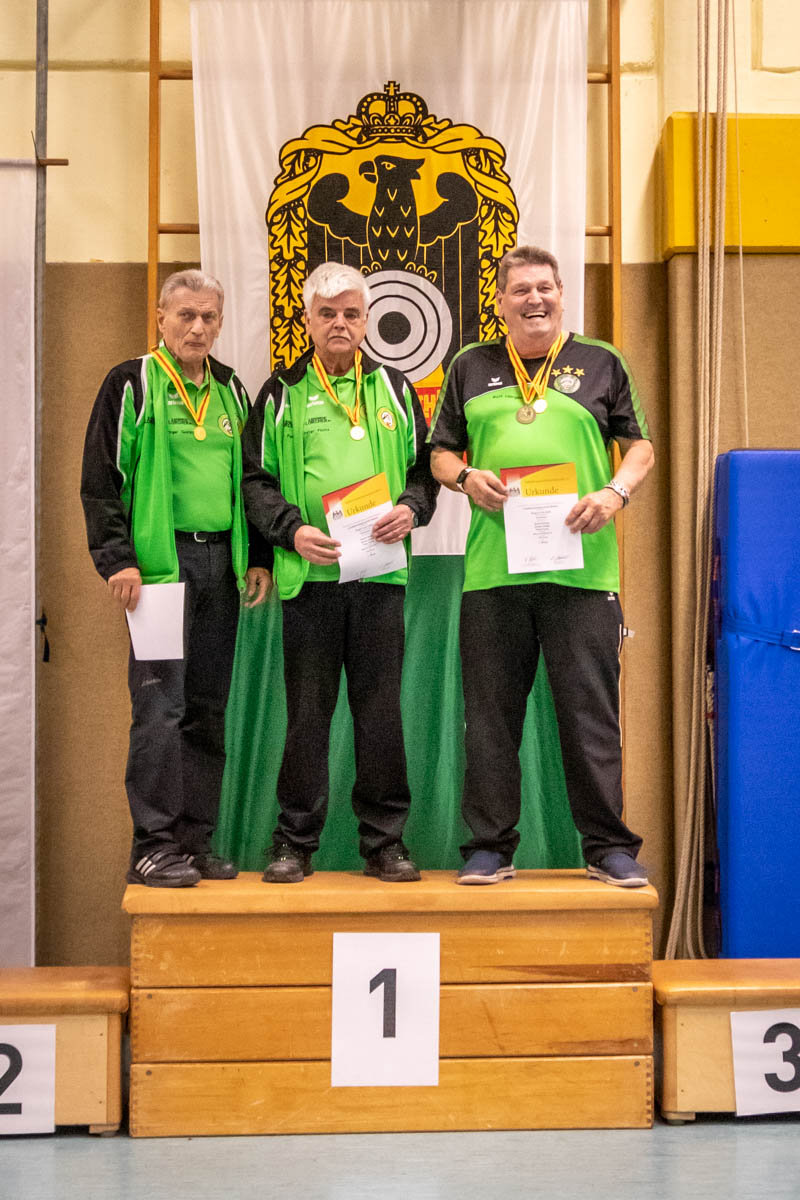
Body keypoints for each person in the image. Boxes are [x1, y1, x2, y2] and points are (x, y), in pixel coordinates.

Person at [429, 245, 654, 887]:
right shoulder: (470, 366)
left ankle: (607, 847)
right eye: (521, 289)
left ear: (561, 294)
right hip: (493, 575)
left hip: (583, 575)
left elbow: (640, 446)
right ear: (501, 302)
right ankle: (490, 847)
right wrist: (465, 477)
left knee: (590, 718)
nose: (535, 299)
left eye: (545, 288)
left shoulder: (602, 361)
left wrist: (614, 493)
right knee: (490, 719)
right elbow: (440, 453)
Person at [242, 262, 439, 883]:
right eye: (327, 314)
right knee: (307, 717)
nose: (340, 324)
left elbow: (424, 471)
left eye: (351, 313)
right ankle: (293, 843)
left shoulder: (395, 388)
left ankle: (385, 844)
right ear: (308, 320)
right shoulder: (280, 392)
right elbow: (254, 480)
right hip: (310, 583)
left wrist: (411, 509)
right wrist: (290, 530)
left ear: (367, 320)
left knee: (380, 716)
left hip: (378, 579)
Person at [81, 269, 272, 888]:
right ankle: (153, 846)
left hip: (219, 567)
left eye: (209, 317)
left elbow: (251, 479)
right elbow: (100, 479)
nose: (197, 327)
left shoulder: (231, 389)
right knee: (160, 710)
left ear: (220, 323)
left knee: (207, 710)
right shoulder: (131, 382)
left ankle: (194, 842)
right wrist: (118, 559)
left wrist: (258, 557)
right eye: (185, 315)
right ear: (161, 317)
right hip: (160, 572)